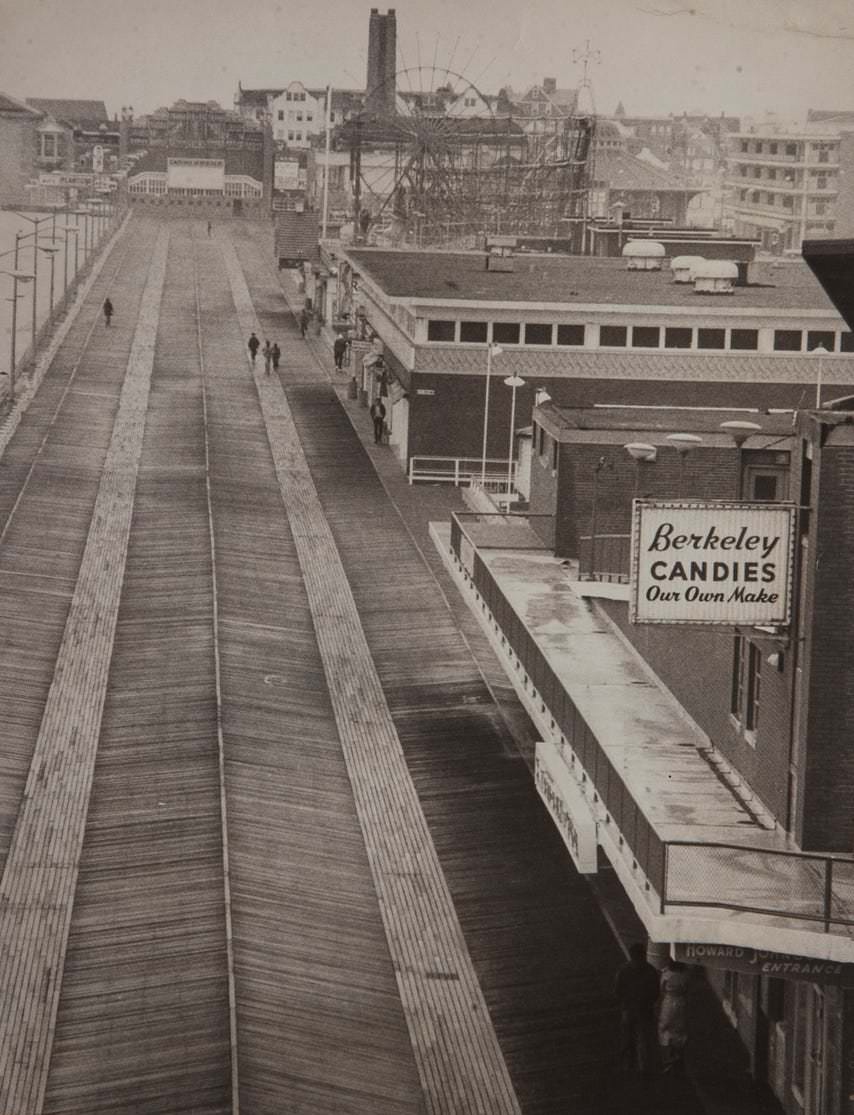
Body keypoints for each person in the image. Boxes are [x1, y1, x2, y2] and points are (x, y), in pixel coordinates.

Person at [614, 942, 660, 1075]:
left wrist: (625, 1002)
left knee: (627, 1037)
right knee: (643, 1038)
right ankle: (643, 1066)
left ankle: (627, 1065)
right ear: (644, 955)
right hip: (645, 1010)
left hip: (628, 1009)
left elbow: (617, 990)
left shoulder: (623, 970)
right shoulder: (651, 970)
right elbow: (656, 992)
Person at [658, 958, 691, 1074]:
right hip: (681, 1003)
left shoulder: (666, 974)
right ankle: (678, 1056)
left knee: (664, 1028)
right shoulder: (686, 975)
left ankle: (668, 1058)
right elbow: (687, 989)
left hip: (668, 1002)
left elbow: (661, 989)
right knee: (680, 1029)